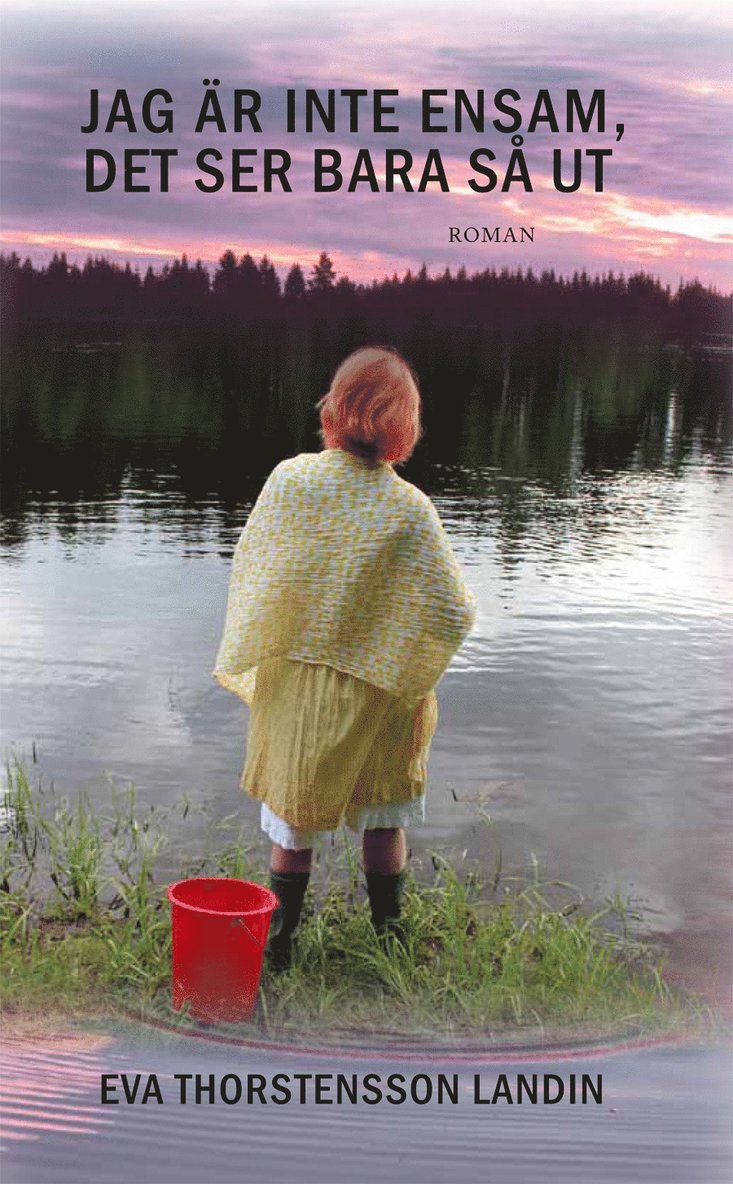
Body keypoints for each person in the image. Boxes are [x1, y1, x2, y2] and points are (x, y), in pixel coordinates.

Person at [213, 345, 475, 970]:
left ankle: (279, 949)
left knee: (292, 825)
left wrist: (291, 638)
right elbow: (452, 611)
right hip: (380, 693)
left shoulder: (290, 482)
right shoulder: (409, 510)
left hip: (299, 693)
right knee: (384, 818)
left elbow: (255, 570)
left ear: (333, 409)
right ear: (404, 426)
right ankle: (390, 940)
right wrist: (399, 656)